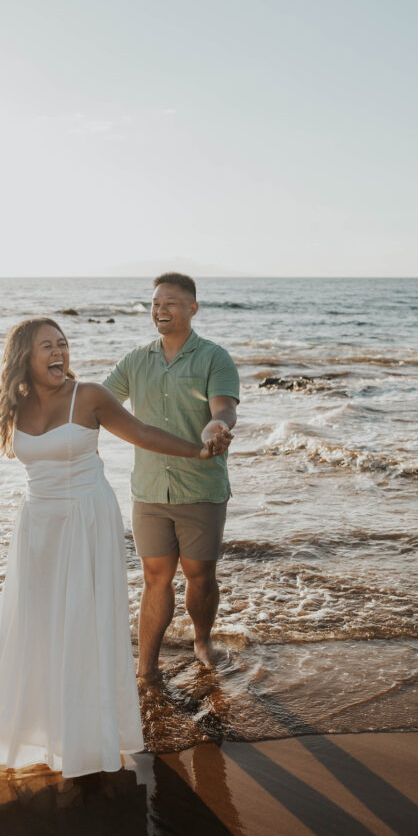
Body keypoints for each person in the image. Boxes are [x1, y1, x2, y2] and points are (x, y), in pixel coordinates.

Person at [0, 317, 217, 779]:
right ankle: (41, 730)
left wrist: (196, 452)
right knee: (36, 622)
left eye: (63, 343)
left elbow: (142, 434)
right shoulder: (14, 405)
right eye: (47, 346)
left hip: (86, 517)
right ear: (24, 358)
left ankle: (87, 736)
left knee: (83, 620)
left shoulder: (90, 396)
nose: (60, 352)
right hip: (37, 524)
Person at [103, 273, 239, 679]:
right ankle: (147, 668)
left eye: (171, 303)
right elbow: (99, 403)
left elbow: (224, 409)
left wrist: (217, 428)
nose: (161, 311)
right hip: (148, 490)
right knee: (154, 577)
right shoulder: (135, 360)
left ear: (193, 308)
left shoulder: (215, 357)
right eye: (156, 303)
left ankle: (201, 638)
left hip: (200, 488)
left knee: (200, 577)